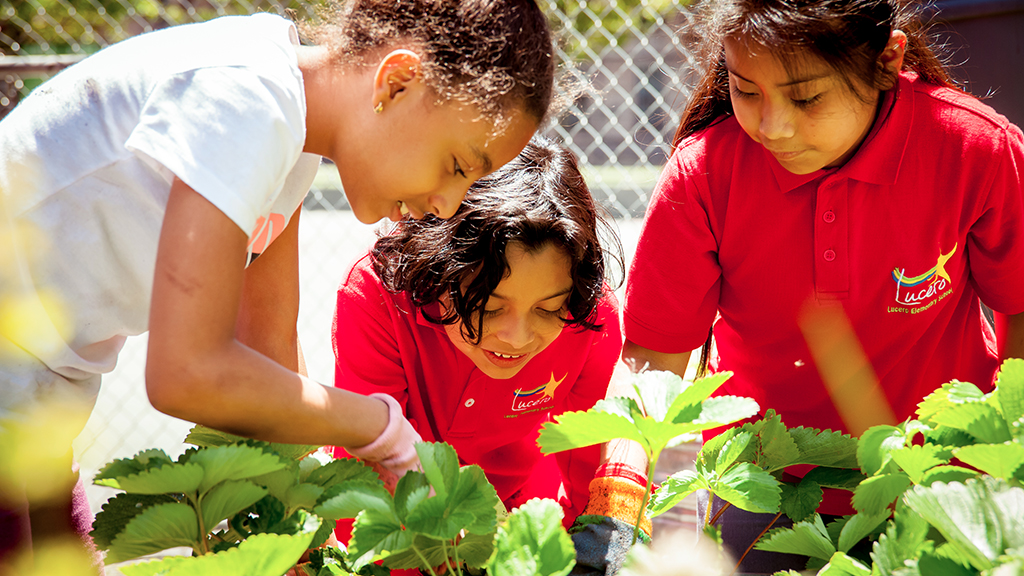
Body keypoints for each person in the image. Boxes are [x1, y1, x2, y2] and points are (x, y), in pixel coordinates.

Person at [0, 0, 554, 567]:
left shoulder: (290, 133)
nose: (448, 205)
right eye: (458, 165)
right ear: (398, 82)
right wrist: (380, 428)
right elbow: (188, 373)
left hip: (37, 399)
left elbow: (267, 348)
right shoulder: (246, 104)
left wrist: (314, 511)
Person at [620, 0, 1024, 572]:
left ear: (887, 60)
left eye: (806, 98)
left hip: (941, 473)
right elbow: (653, 360)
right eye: (746, 90)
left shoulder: (976, 149)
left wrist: (1009, 455)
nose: (771, 126)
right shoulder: (706, 171)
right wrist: (621, 503)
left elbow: (1020, 306)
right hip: (765, 482)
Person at [331, 136, 647, 574]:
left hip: (519, 522)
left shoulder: (590, 316)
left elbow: (587, 461)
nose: (516, 338)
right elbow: (369, 472)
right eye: (489, 307)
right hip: (399, 527)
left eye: (549, 309)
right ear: (437, 267)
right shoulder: (377, 297)